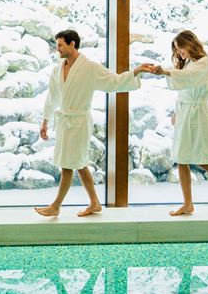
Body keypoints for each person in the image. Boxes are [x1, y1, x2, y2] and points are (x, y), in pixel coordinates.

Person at [35, 30, 155, 217]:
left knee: (68, 165)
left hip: (79, 122)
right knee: (78, 164)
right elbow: (52, 98)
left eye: (60, 45)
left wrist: (136, 71)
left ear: (72, 44)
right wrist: (45, 121)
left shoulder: (89, 68)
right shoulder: (57, 70)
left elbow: (114, 81)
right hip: (65, 121)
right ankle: (95, 203)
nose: (57, 49)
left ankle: (56, 206)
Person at [151, 30, 208, 216]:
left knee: (204, 160)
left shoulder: (204, 62)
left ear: (190, 44)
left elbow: (190, 78)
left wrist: (165, 71)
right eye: (176, 50)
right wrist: (177, 112)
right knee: (181, 158)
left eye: (180, 48)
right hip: (185, 111)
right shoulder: (188, 63)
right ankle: (187, 204)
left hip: (197, 114)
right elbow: (184, 87)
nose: (178, 53)